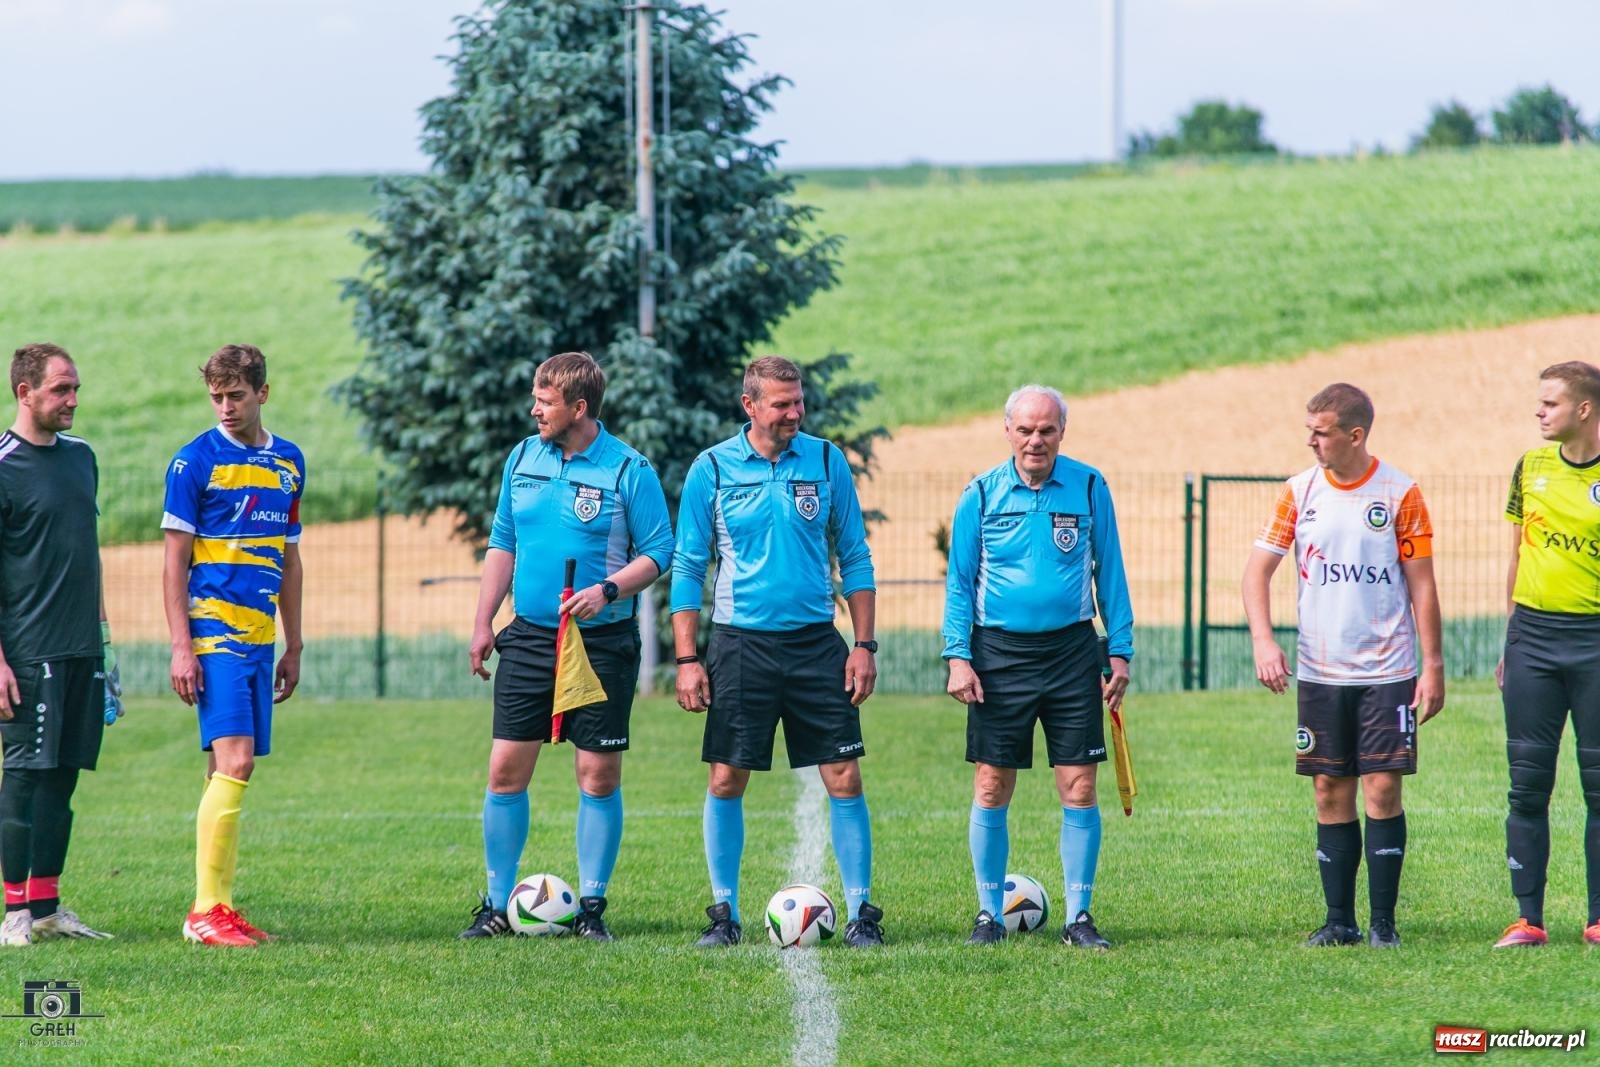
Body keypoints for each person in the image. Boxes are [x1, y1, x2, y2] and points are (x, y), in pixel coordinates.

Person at [459, 352, 673, 941]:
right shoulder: (523, 457)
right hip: (528, 637)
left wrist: (607, 590)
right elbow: (503, 541)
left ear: (578, 408)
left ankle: (592, 909)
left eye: (545, 401)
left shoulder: (629, 468)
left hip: (600, 642)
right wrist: (483, 622)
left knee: (597, 774)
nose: (534, 409)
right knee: (505, 770)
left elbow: (660, 550)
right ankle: (496, 906)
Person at [672, 355, 884, 948]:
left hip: (818, 644)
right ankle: (723, 914)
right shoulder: (710, 469)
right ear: (750, 406)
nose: (795, 413)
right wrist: (688, 659)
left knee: (843, 774)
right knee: (726, 777)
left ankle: (862, 913)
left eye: (799, 402)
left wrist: (863, 644)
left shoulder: (824, 460)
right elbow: (689, 566)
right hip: (740, 645)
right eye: (782, 403)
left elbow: (856, 557)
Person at [1243, 382, 1443, 949]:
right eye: (1308, 429)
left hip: (1387, 671)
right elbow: (1256, 573)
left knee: (1382, 789)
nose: (1310, 440)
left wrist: (1433, 666)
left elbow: (1422, 587)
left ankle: (1383, 924)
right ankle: (1339, 922)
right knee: (1330, 789)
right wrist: (1264, 641)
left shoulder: (1400, 493)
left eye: (1321, 431)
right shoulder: (1298, 492)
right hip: (1321, 672)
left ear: (1355, 435)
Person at [941, 385, 1133, 949]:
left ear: (1061, 433)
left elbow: (1111, 573)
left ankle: (1079, 917)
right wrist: (958, 655)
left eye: (1046, 430)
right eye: (1025, 430)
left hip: (1073, 653)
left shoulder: (1090, 486)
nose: (1035, 441)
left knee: (1078, 786)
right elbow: (959, 582)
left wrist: (1118, 649)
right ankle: (987, 915)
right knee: (992, 782)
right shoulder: (979, 494)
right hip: (997, 656)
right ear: (1007, 432)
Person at [162, 344, 305, 947]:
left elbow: (290, 560)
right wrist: (180, 646)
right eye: (216, 396)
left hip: (257, 642)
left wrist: (292, 643)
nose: (224, 406)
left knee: (225, 768)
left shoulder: (290, 462)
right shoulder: (193, 462)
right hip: (213, 636)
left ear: (262, 394)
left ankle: (214, 905)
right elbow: (172, 565)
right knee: (236, 762)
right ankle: (205, 913)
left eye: (236, 395)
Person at [0, 343, 120, 947]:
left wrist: (105, 646)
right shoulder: (2, 465)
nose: (73, 400)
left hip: (81, 652)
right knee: (23, 777)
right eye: (60, 390)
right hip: (27, 652)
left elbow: (85, 553)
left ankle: (46, 905)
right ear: (26, 393)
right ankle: (14, 913)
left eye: (75, 388)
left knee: (64, 778)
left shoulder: (82, 459)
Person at [1494, 361, 1600, 948]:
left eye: (1550, 404)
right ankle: (1528, 920)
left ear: (1583, 409)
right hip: (1532, 640)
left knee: (1598, 786)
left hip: (1595, 643)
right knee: (1527, 786)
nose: (1539, 413)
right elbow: (1517, 554)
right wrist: (1510, 636)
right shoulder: (1529, 467)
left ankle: (1598, 920)